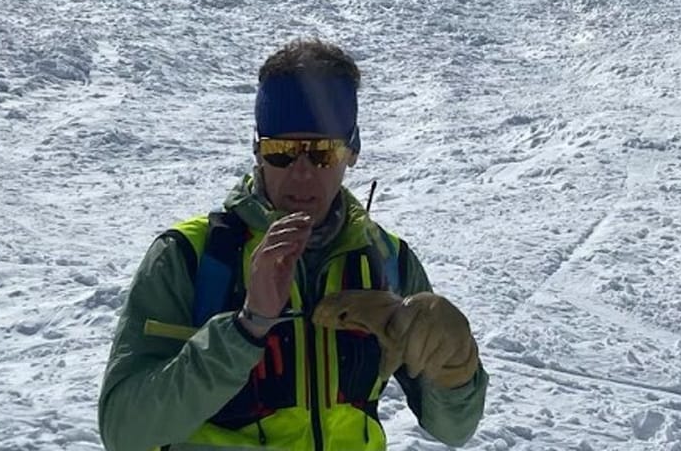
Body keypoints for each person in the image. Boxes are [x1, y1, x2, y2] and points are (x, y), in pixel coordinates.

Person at [99, 40, 488, 451]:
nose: (302, 175)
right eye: (282, 152)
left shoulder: (388, 263)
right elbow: (125, 431)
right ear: (257, 149)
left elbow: (454, 430)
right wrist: (245, 328)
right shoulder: (190, 258)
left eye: (323, 153)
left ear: (351, 151)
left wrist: (456, 366)